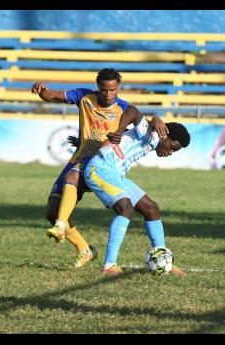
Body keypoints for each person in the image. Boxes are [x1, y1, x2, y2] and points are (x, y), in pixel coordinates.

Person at [31, 68, 168, 268]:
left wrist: (155, 119)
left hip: (99, 162)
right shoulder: (84, 97)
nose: (108, 94)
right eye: (104, 90)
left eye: (112, 90)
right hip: (78, 157)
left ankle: (63, 227)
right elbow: (51, 96)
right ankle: (84, 249)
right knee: (52, 212)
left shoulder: (123, 109)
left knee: (73, 178)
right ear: (98, 87)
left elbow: (138, 118)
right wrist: (41, 90)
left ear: (118, 88)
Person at [83, 105, 191, 275]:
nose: (170, 152)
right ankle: (109, 265)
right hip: (100, 169)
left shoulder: (153, 133)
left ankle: (162, 258)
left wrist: (154, 119)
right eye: (173, 147)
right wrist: (118, 131)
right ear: (165, 135)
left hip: (115, 175)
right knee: (125, 208)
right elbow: (132, 111)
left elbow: (146, 120)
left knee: (151, 208)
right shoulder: (149, 133)